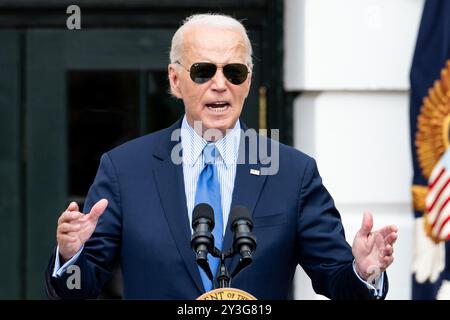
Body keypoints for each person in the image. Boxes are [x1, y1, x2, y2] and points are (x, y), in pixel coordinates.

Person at [45, 13, 398, 300]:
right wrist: (70, 257)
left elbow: (336, 280)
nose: (219, 84)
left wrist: (363, 272)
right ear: (175, 79)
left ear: (248, 82)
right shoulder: (125, 169)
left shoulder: (293, 172)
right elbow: (78, 288)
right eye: (203, 71)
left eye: (234, 71)